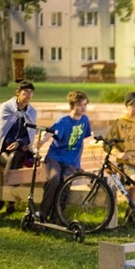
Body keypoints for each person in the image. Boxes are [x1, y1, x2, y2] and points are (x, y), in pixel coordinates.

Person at [36, 90, 91, 222]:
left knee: (66, 182)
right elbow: (51, 132)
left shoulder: (85, 120)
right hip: (55, 157)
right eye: (80, 105)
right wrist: (42, 142)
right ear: (72, 106)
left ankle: (57, 216)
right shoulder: (64, 121)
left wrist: (78, 164)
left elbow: (81, 142)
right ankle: (43, 213)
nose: (83, 108)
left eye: (85, 104)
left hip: (71, 161)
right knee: (54, 179)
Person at [0, 81, 37, 214]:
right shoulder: (7, 107)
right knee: (13, 160)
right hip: (3, 149)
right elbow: (1, 131)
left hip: (21, 150)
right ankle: (10, 201)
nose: (28, 95)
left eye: (31, 92)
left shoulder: (32, 112)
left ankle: (3, 198)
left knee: (15, 156)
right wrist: (11, 143)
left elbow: (30, 135)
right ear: (18, 93)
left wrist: (19, 143)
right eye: (25, 92)